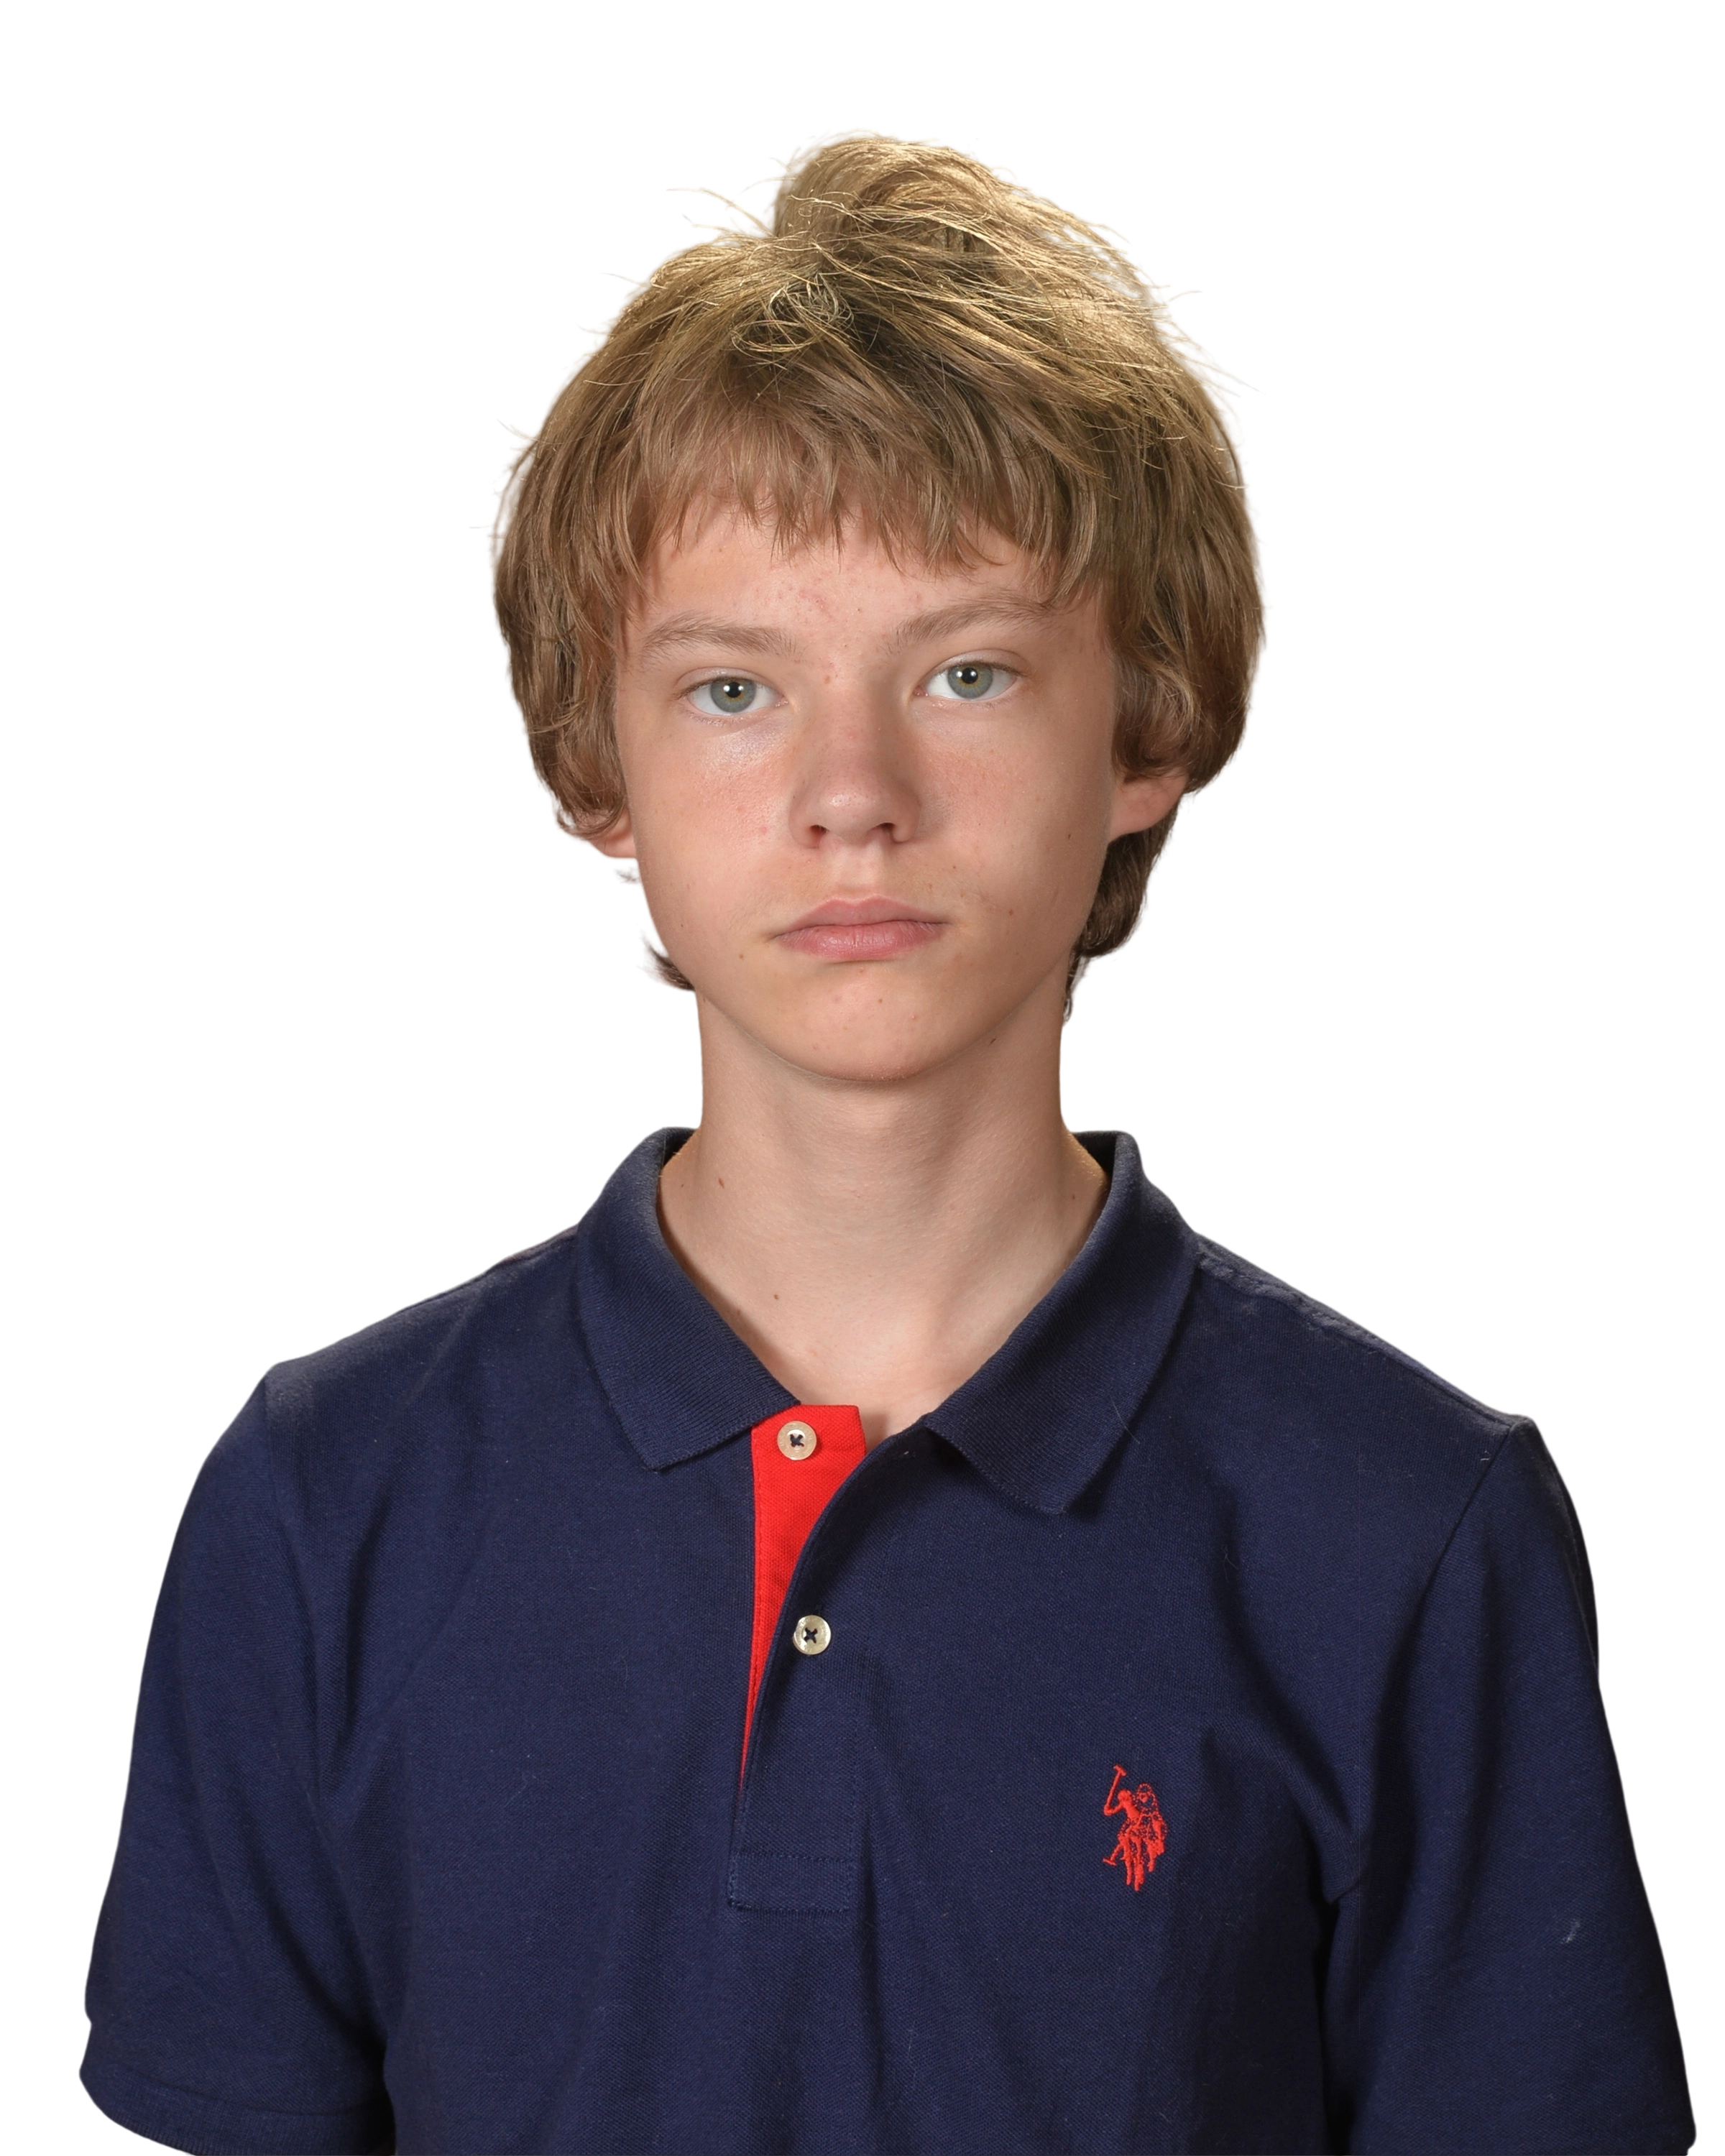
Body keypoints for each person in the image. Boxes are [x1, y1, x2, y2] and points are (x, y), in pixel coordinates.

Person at [76, 125, 1695, 2156]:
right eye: (734, 688)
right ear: (596, 770)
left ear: (1146, 729)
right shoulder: (325, 1509)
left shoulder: (1409, 1527)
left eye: (967, 670)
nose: (853, 791)